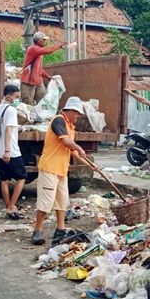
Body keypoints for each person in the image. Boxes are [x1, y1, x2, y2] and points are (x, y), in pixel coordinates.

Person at [31, 97, 96, 246]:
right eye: (77, 114)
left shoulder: (71, 127)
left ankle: (60, 230)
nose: (78, 117)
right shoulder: (59, 120)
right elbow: (66, 142)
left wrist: (89, 164)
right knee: (46, 203)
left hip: (61, 169)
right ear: (71, 111)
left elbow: (72, 152)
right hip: (49, 168)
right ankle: (37, 231)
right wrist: (79, 147)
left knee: (62, 201)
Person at [0, 84, 26, 220]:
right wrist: (8, 150)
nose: (18, 100)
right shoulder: (11, 110)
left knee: (4, 180)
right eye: (16, 97)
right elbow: (8, 130)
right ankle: (11, 206)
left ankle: (8, 206)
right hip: (11, 151)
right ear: (9, 96)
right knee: (21, 178)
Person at [20, 31, 67, 105]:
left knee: (43, 103)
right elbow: (47, 50)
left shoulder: (39, 52)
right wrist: (58, 46)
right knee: (27, 104)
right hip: (28, 82)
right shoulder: (33, 49)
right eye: (44, 40)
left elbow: (38, 68)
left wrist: (48, 76)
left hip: (38, 81)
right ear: (39, 41)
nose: (45, 41)